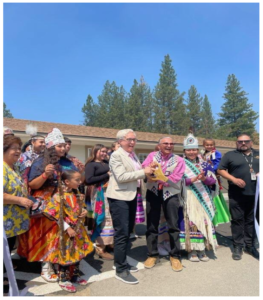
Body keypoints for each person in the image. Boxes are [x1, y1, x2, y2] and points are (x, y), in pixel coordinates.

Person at [17, 128, 78, 282]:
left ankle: (55, 261)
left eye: (64, 146)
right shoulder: (40, 162)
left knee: (58, 234)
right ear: (51, 147)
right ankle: (46, 266)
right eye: (59, 146)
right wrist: (45, 174)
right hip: (43, 203)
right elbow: (33, 184)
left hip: (57, 200)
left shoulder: (63, 163)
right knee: (47, 236)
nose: (63, 149)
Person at [106, 129, 154, 284]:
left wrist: (148, 170)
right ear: (120, 141)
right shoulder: (116, 155)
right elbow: (121, 177)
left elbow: (136, 173)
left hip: (131, 196)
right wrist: (143, 172)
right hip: (119, 198)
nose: (132, 142)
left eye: (134, 139)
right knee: (122, 233)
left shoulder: (131, 155)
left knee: (127, 232)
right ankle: (120, 269)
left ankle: (121, 262)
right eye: (129, 139)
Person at [43, 170, 93, 293]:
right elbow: (52, 215)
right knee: (66, 254)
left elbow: (81, 209)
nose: (80, 182)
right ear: (67, 181)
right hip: (66, 232)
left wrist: (84, 212)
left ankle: (74, 275)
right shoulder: (58, 197)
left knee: (78, 252)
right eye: (77, 180)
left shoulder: (77, 194)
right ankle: (64, 279)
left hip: (78, 230)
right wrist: (67, 227)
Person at [142, 137, 185, 272]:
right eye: (165, 143)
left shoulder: (179, 160)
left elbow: (176, 177)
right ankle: (152, 254)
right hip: (153, 192)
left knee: (173, 225)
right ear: (159, 145)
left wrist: (161, 179)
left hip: (170, 193)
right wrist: (150, 171)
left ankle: (175, 255)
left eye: (171, 143)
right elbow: (144, 168)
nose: (169, 145)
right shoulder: (151, 156)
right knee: (151, 224)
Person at [217, 133, 259, 260]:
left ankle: (250, 246)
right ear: (237, 143)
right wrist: (233, 179)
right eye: (240, 141)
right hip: (237, 195)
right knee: (237, 220)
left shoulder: (258, 154)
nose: (243, 143)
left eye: (246, 141)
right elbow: (220, 170)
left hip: (256, 195)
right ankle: (238, 246)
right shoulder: (230, 155)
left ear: (251, 142)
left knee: (252, 220)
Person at [179, 132, 218, 262]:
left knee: (204, 221)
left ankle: (202, 248)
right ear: (184, 151)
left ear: (198, 150)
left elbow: (213, 182)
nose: (192, 152)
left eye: (194, 149)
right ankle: (192, 250)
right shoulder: (180, 164)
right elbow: (176, 182)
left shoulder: (205, 164)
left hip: (203, 196)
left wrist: (204, 178)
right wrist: (192, 179)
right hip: (189, 196)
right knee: (191, 222)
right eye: (189, 150)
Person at [3, 135, 34, 294]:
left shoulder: (13, 167)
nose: (18, 151)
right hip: (4, 221)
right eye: (14, 148)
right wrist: (20, 201)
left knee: (7, 251)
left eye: (18, 148)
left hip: (12, 223)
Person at [85, 144, 114, 260]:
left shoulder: (107, 163)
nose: (104, 153)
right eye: (101, 151)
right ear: (95, 151)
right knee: (102, 218)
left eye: (105, 151)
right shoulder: (91, 165)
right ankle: (100, 247)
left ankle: (108, 242)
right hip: (98, 194)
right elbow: (89, 180)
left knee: (109, 218)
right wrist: (106, 175)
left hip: (108, 193)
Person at [201, 138, 231, 225]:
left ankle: (216, 216)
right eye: (207, 145)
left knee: (214, 196)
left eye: (211, 145)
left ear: (214, 145)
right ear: (204, 145)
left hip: (213, 177)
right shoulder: (202, 153)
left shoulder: (217, 153)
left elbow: (218, 164)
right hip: (203, 178)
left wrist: (209, 170)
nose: (209, 146)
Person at [18, 125, 46, 189]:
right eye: (41, 142)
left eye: (44, 142)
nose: (43, 144)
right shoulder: (24, 156)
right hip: (24, 185)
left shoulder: (45, 156)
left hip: (39, 185)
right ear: (33, 142)